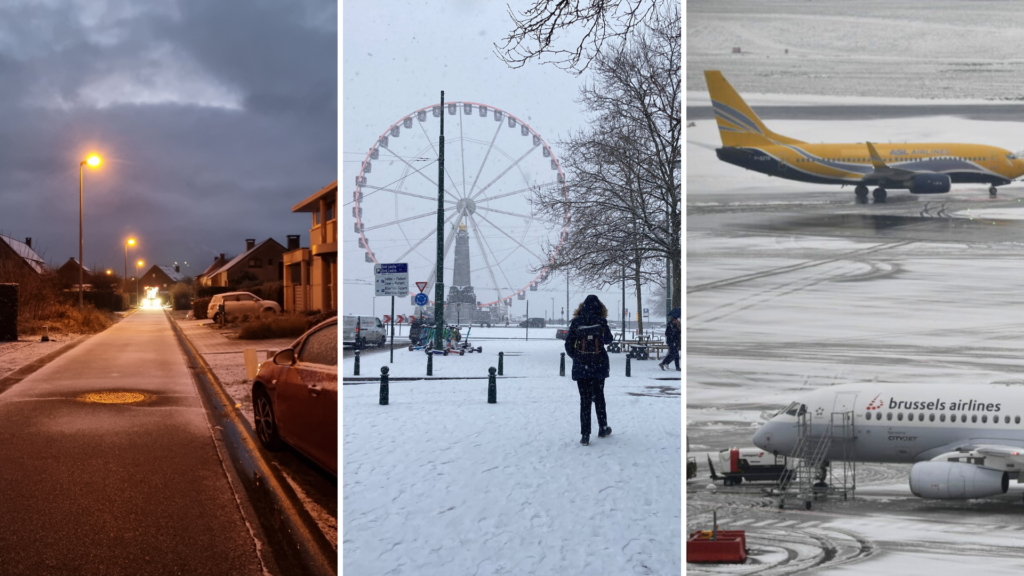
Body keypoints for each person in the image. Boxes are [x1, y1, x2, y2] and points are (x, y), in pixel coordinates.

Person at [564, 294, 615, 446]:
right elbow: (609, 340)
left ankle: (585, 434)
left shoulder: (576, 323)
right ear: (600, 308)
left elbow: (568, 345)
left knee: (584, 400)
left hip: (582, 367)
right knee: (599, 397)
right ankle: (603, 427)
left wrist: (578, 357)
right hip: (599, 365)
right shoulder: (601, 321)